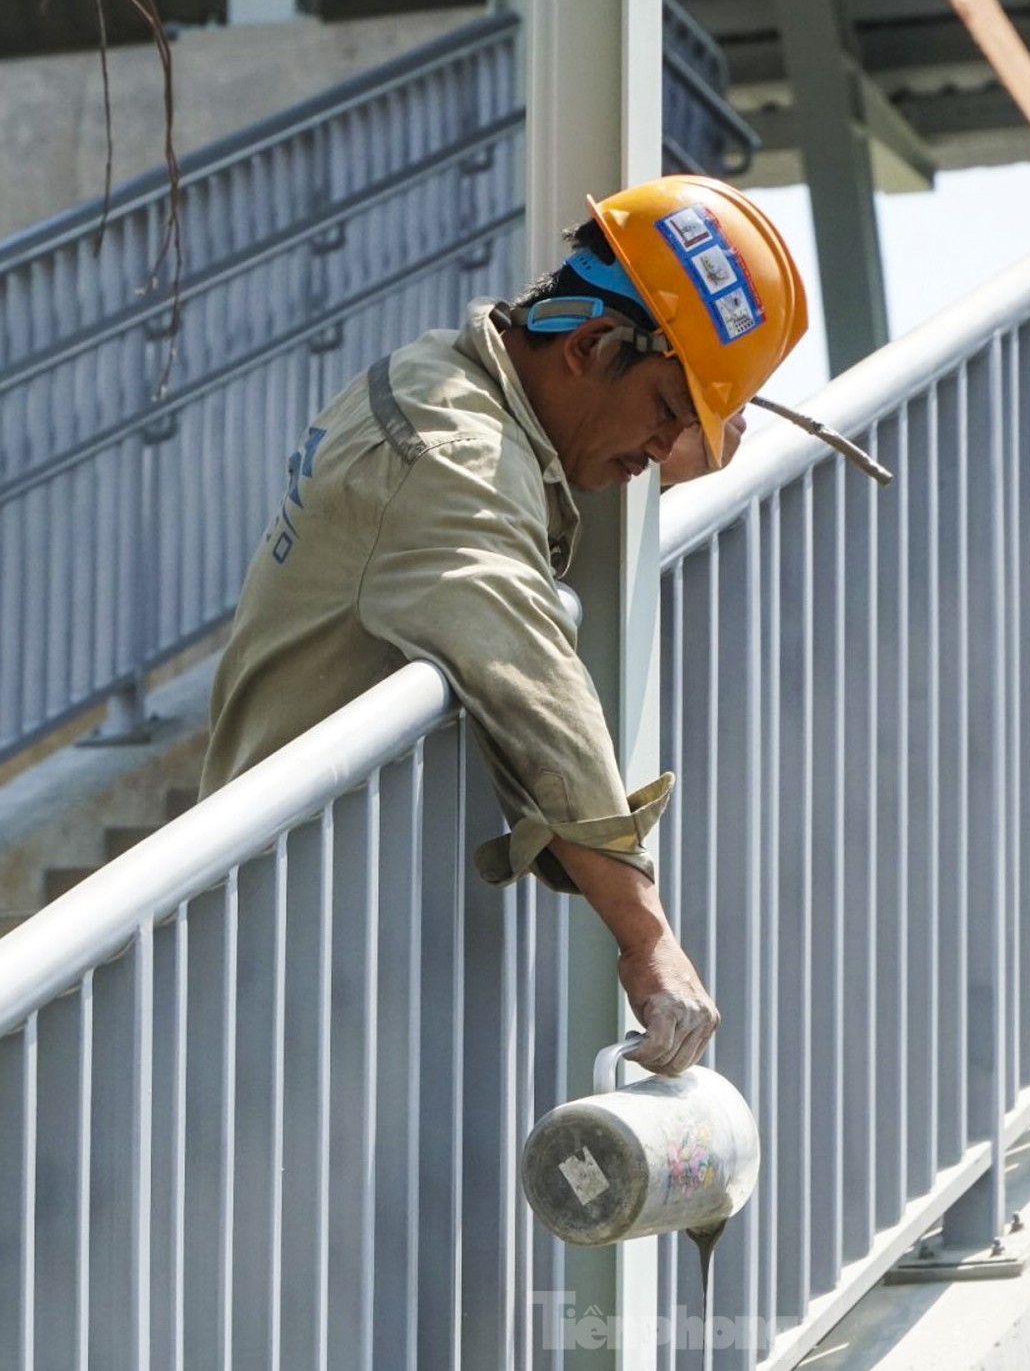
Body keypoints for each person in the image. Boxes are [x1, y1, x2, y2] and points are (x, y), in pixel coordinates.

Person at [200, 175, 808, 1077]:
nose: (659, 452)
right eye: (668, 415)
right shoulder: (450, 458)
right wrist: (650, 939)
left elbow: (536, 490)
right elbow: (533, 682)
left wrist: (665, 432)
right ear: (594, 345)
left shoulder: (445, 388)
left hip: (314, 931)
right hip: (284, 958)